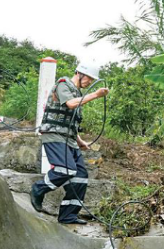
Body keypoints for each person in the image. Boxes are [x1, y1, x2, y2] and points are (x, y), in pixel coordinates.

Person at [30, 63, 108, 224]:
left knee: (80, 176)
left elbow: (70, 122)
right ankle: (38, 189)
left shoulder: (77, 92)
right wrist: (95, 95)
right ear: (79, 73)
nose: (89, 82)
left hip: (69, 139)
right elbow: (70, 104)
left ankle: (68, 216)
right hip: (54, 135)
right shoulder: (63, 84)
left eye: (92, 79)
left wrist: (80, 141)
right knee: (65, 169)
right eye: (89, 78)